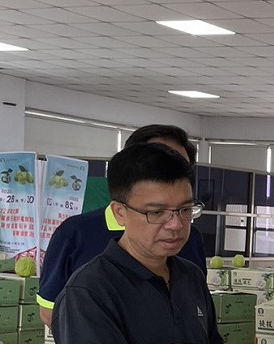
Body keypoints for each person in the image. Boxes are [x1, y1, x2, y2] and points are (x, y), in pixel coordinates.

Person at [52, 143, 251, 344]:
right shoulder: (89, 290)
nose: (176, 225)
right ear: (120, 213)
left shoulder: (189, 275)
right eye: (156, 213)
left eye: (185, 210)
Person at [38, 124, 207, 327]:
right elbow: (52, 313)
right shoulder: (75, 236)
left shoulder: (191, 242)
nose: (174, 225)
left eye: (177, 165)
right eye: (155, 212)